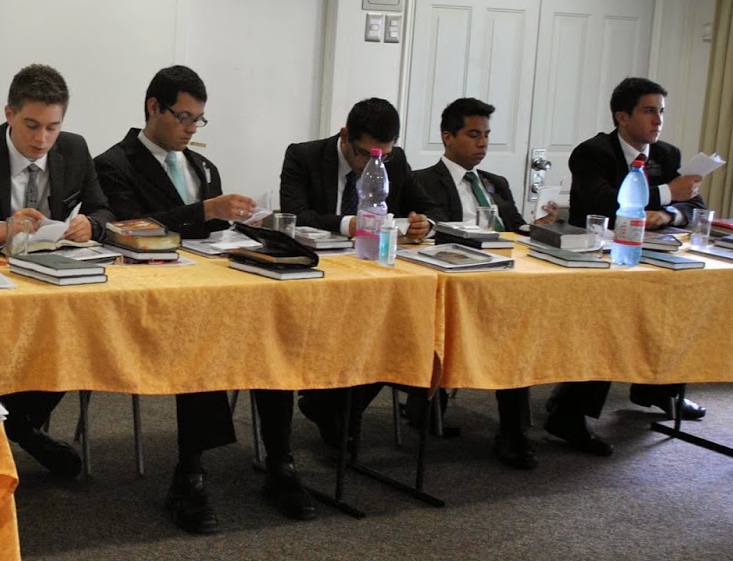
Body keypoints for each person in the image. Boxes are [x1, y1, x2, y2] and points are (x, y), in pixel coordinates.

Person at [94, 66, 312, 530]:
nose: (192, 128)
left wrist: (247, 223)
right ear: (154, 108)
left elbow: (214, 233)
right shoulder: (114, 163)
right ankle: (189, 473)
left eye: (198, 120)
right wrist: (206, 209)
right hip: (158, 297)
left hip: (215, 290)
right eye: (184, 117)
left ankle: (281, 461)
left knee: (272, 332)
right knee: (202, 335)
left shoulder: (202, 166)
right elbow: (129, 228)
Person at [0, 64, 114, 476]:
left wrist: (92, 225)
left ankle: (9, 422)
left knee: (83, 329)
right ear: (9, 114)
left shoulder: (75, 149)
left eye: (52, 127)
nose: (42, 139)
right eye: (32, 125)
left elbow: (103, 208)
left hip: (55, 277)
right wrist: (1, 230)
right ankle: (19, 427)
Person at [546, 77, 708, 452]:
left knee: (676, 304)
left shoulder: (666, 154)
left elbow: (694, 206)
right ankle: (568, 412)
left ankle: (658, 389)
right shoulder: (592, 153)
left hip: (652, 251)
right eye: (649, 111)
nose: (658, 120)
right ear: (622, 116)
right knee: (611, 318)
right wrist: (667, 194)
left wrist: (667, 216)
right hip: (595, 257)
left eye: (661, 111)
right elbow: (604, 202)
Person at [279, 98, 437, 449]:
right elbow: (295, 215)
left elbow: (428, 208)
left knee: (402, 329)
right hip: (320, 280)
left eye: (383, 155)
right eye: (364, 154)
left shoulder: (394, 162)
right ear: (345, 135)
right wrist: (350, 224)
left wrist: (424, 224)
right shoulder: (304, 156)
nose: (372, 163)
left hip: (374, 278)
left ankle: (330, 405)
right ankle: (335, 408)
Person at [408, 97, 537, 469]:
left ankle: (513, 431)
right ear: (448, 137)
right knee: (510, 329)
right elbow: (435, 230)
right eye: (473, 134)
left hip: (505, 285)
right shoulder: (422, 181)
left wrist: (537, 226)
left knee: (520, 330)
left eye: (487, 135)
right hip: (455, 288)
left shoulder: (496, 183)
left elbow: (515, 227)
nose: (482, 143)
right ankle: (424, 404)